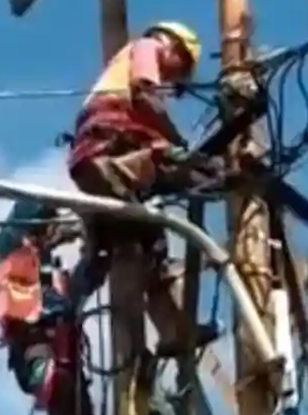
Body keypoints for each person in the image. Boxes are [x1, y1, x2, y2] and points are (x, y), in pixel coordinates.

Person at [66, 21, 226, 296]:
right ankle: (112, 177)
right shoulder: (147, 46)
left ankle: (100, 252)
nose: (172, 80)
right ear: (173, 46)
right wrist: (180, 144)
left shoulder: (120, 78)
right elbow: (144, 94)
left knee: (147, 241)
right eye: (180, 70)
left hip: (97, 147)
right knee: (196, 171)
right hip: (112, 135)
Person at [0, 198, 106, 415]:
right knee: (59, 391)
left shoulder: (51, 271)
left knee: (79, 412)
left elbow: (79, 287)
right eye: (48, 224)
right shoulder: (15, 256)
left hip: (66, 353)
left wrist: (95, 249)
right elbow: (7, 244)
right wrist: (47, 225)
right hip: (36, 350)